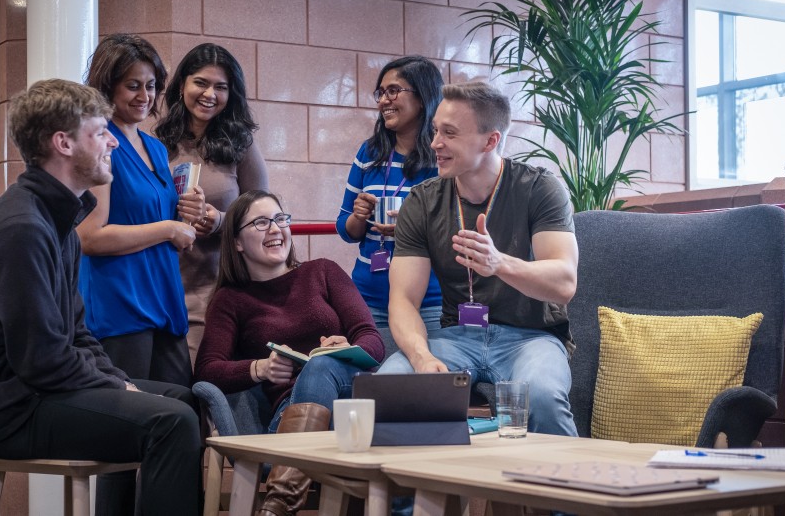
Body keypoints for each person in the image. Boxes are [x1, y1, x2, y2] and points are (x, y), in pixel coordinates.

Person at [0, 78, 202, 516]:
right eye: (100, 132)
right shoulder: (22, 228)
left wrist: (119, 380)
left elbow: (77, 335)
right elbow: (42, 360)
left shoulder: (56, 218)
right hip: (10, 410)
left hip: (38, 392)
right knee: (171, 423)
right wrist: (119, 384)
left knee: (181, 399)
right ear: (62, 143)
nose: (111, 144)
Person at [380, 81, 580, 437]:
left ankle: (567, 491)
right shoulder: (422, 201)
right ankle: (416, 494)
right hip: (456, 337)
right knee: (389, 389)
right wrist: (422, 357)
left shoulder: (539, 188)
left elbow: (564, 283)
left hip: (531, 337)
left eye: (450, 133)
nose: (435, 143)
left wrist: (499, 263)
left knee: (544, 396)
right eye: (436, 130)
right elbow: (403, 300)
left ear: (490, 141)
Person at [196, 190, 385, 516]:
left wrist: (348, 347)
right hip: (296, 415)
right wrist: (259, 369)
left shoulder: (323, 271)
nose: (275, 229)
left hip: (353, 401)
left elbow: (372, 339)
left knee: (322, 364)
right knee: (318, 370)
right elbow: (208, 370)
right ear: (238, 242)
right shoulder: (231, 300)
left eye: (281, 219)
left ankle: (279, 499)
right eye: (261, 222)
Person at [78, 34, 195, 515]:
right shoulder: (100, 139)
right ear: (108, 86)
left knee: (185, 414)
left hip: (163, 299)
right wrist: (168, 226)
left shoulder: (152, 144)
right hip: (120, 303)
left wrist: (189, 213)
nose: (144, 97)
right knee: (123, 443)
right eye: (133, 85)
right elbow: (91, 235)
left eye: (151, 86)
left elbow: (158, 215)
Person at [155, 43, 269, 366]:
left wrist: (219, 219)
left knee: (203, 382)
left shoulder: (241, 144)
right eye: (201, 83)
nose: (210, 94)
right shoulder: (158, 142)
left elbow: (262, 214)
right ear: (182, 85)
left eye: (221, 87)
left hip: (216, 288)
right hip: (164, 283)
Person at [336, 55, 444, 333]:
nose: (384, 100)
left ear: (422, 98)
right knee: (369, 375)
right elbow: (345, 230)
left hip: (429, 304)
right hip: (368, 299)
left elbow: (456, 232)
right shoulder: (369, 152)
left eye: (393, 91)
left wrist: (411, 231)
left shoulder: (442, 159)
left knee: (426, 374)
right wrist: (359, 216)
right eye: (381, 93)